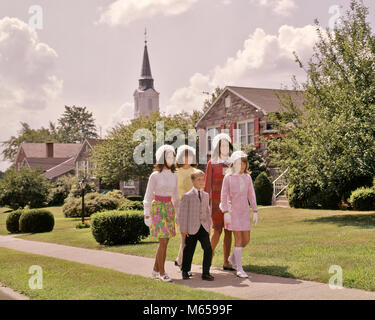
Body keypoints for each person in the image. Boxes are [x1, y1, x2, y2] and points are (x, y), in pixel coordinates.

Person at [220, 150, 258, 278]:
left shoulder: (248, 177)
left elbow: (251, 195)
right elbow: (223, 196)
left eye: (244, 164)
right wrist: (225, 212)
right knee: (239, 239)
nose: (242, 166)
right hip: (233, 212)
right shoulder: (228, 177)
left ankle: (232, 258)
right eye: (239, 163)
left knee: (246, 239)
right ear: (234, 164)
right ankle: (239, 269)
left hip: (244, 212)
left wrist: (255, 210)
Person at [143, 145, 179, 282]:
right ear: (162, 158)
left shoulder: (175, 176)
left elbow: (176, 196)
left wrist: (178, 214)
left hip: (169, 208)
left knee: (165, 241)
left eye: (173, 157)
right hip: (157, 207)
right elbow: (147, 196)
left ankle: (155, 270)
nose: (171, 159)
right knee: (163, 241)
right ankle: (162, 273)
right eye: (168, 157)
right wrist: (147, 214)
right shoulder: (155, 175)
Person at [204, 133, 234, 271]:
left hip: (230, 202)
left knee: (229, 232)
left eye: (227, 145)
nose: (225, 147)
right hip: (216, 202)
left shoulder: (233, 163)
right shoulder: (212, 163)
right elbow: (207, 185)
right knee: (217, 231)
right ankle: (208, 259)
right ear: (218, 147)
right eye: (222, 145)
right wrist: (205, 203)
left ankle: (226, 262)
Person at [179, 170, 214, 281]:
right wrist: (183, 230)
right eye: (198, 179)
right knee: (189, 250)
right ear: (193, 181)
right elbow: (183, 215)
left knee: (208, 249)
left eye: (202, 179)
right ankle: (185, 271)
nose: (201, 182)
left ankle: (206, 272)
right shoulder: (187, 196)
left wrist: (208, 227)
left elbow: (208, 212)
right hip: (190, 228)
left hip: (203, 227)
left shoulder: (206, 195)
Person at [174, 145, 198, 271]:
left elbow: (200, 189)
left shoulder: (195, 172)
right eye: (184, 155)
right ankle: (183, 263)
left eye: (189, 156)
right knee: (184, 236)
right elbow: (175, 191)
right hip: (181, 207)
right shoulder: (176, 172)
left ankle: (180, 259)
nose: (187, 158)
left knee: (189, 237)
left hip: (194, 207)